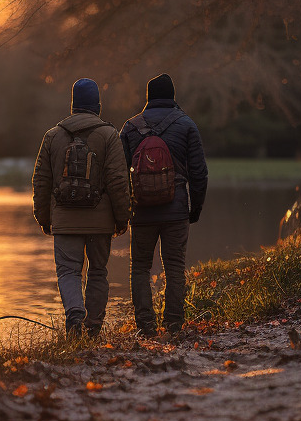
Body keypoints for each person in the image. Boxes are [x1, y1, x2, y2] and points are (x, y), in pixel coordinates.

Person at [32, 77, 131, 337]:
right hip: (101, 221)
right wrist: (122, 219)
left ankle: (75, 315)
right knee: (98, 272)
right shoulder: (109, 135)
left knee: (68, 271)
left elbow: (41, 181)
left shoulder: (52, 136)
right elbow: (119, 180)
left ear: (73, 104)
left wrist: (45, 219)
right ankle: (93, 328)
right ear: (97, 105)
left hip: (64, 219)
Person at [120, 73, 208, 338]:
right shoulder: (186, 124)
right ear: (172, 96)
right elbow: (199, 173)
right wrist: (195, 208)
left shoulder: (130, 127)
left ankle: (145, 327)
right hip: (177, 210)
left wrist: (124, 211)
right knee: (174, 267)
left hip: (142, 211)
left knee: (140, 268)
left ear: (148, 97)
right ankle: (173, 325)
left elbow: (118, 174)